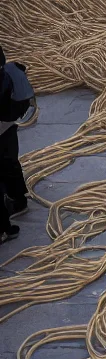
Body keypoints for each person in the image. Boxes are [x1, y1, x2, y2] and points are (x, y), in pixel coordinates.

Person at [0, 48, 30, 245]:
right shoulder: (8, 73)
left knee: (7, 162)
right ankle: (18, 200)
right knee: (9, 160)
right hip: (7, 124)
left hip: (4, 123)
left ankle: (5, 227)